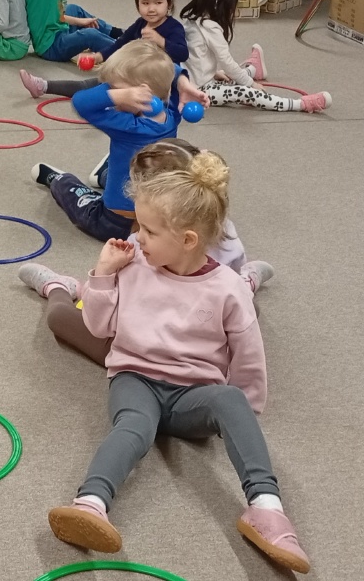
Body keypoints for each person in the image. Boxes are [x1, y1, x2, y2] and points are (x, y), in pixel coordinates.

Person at [45, 152, 311, 573]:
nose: (137, 237)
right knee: (133, 426)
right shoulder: (133, 262)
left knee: (231, 399)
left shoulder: (226, 289)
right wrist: (103, 274)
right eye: (138, 226)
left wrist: (240, 416)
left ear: (188, 240)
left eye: (148, 231)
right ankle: (91, 503)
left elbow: (248, 355)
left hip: (195, 395)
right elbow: (97, 326)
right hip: (136, 378)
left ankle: (266, 507)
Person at [18, 140, 273, 365]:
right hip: (160, 340)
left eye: (149, 229)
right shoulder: (212, 224)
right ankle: (246, 281)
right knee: (242, 306)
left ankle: (59, 287)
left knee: (60, 317)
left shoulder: (144, 247)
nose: (142, 235)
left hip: (173, 346)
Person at [31, 41, 207, 242]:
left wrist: (116, 97)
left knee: (80, 202)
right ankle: (103, 175)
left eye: (114, 88)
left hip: (116, 221)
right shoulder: (173, 111)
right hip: (160, 221)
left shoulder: (127, 126)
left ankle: (57, 179)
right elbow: (167, 69)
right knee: (134, 173)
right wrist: (183, 81)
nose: (112, 95)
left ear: (141, 92)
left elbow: (81, 102)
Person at [181, 0, 331, 113]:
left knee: (231, 76)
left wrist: (214, 72)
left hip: (196, 79)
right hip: (200, 90)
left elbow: (196, 56)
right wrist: (250, 84)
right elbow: (227, 63)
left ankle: (253, 69)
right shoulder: (210, 27)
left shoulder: (193, 18)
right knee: (247, 92)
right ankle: (300, 104)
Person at [19, 0, 189, 97]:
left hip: (157, 84)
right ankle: (43, 86)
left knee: (106, 90)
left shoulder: (174, 28)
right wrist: (98, 57)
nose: (151, 9)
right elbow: (120, 44)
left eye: (158, 3)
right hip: (134, 76)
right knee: (92, 84)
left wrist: (161, 41)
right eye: (145, 3)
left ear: (169, 4)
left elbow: (182, 54)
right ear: (138, 4)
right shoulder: (140, 24)